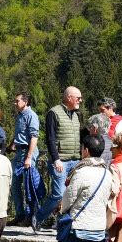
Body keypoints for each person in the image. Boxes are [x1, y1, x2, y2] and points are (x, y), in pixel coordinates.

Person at [33, 86, 82, 232]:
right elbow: (50, 138)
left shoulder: (76, 114)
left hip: (75, 160)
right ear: (69, 97)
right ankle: (39, 216)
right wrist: (56, 159)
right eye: (78, 98)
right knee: (58, 194)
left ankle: (64, 224)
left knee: (73, 194)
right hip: (61, 161)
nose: (80, 100)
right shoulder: (54, 113)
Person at [87, 113, 119, 242]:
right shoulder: (113, 144)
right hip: (108, 195)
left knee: (104, 241)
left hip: (100, 197)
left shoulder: (97, 144)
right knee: (103, 240)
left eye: (91, 128)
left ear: (96, 128)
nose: (90, 131)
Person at [8, 92, 39, 226]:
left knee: (28, 186)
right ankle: (19, 215)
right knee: (14, 185)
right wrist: (12, 146)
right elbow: (19, 135)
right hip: (19, 153)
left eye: (17, 101)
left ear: (25, 102)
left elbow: (34, 137)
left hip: (27, 153)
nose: (15, 103)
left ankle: (30, 216)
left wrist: (29, 157)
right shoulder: (19, 116)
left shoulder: (31, 116)